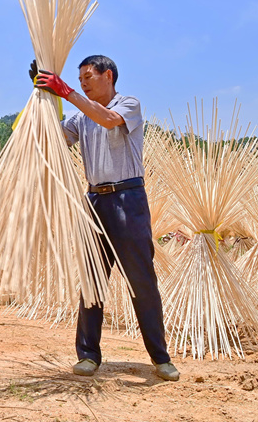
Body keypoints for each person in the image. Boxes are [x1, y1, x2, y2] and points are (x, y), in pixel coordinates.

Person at [31, 55, 180, 381]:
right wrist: (42, 98)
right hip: (94, 200)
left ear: (108, 75)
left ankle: (160, 357)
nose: (83, 83)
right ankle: (88, 355)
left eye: (88, 76)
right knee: (92, 280)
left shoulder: (128, 104)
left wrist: (66, 92)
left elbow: (110, 120)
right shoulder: (79, 118)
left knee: (141, 280)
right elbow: (49, 139)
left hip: (128, 199)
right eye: (79, 79)